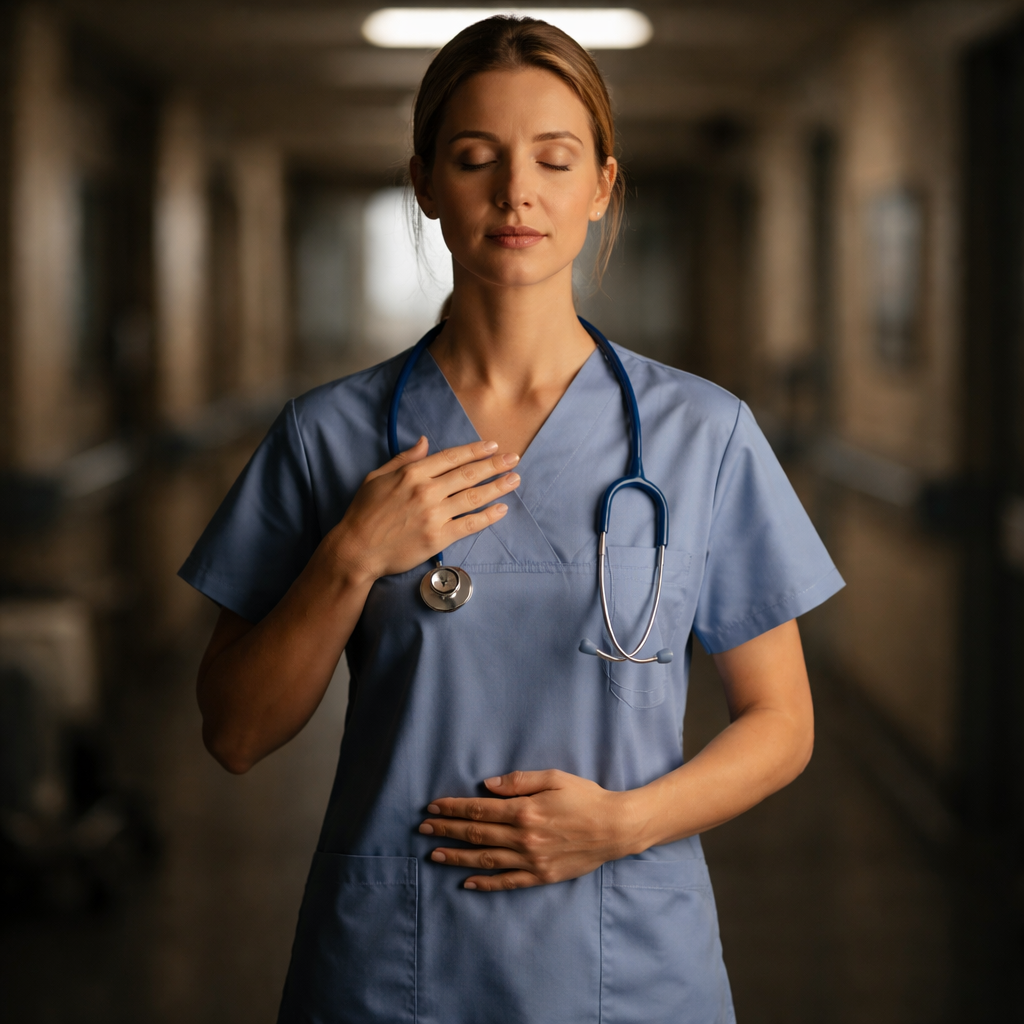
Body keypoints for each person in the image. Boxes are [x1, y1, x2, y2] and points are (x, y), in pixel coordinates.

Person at [180, 16, 844, 1024]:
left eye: (553, 157)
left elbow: (781, 723)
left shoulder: (702, 434)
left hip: (629, 959)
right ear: (424, 183)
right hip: (392, 963)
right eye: (474, 157)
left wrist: (619, 825)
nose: (515, 192)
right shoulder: (328, 435)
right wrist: (351, 556)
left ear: (600, 186)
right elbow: (233, 731)